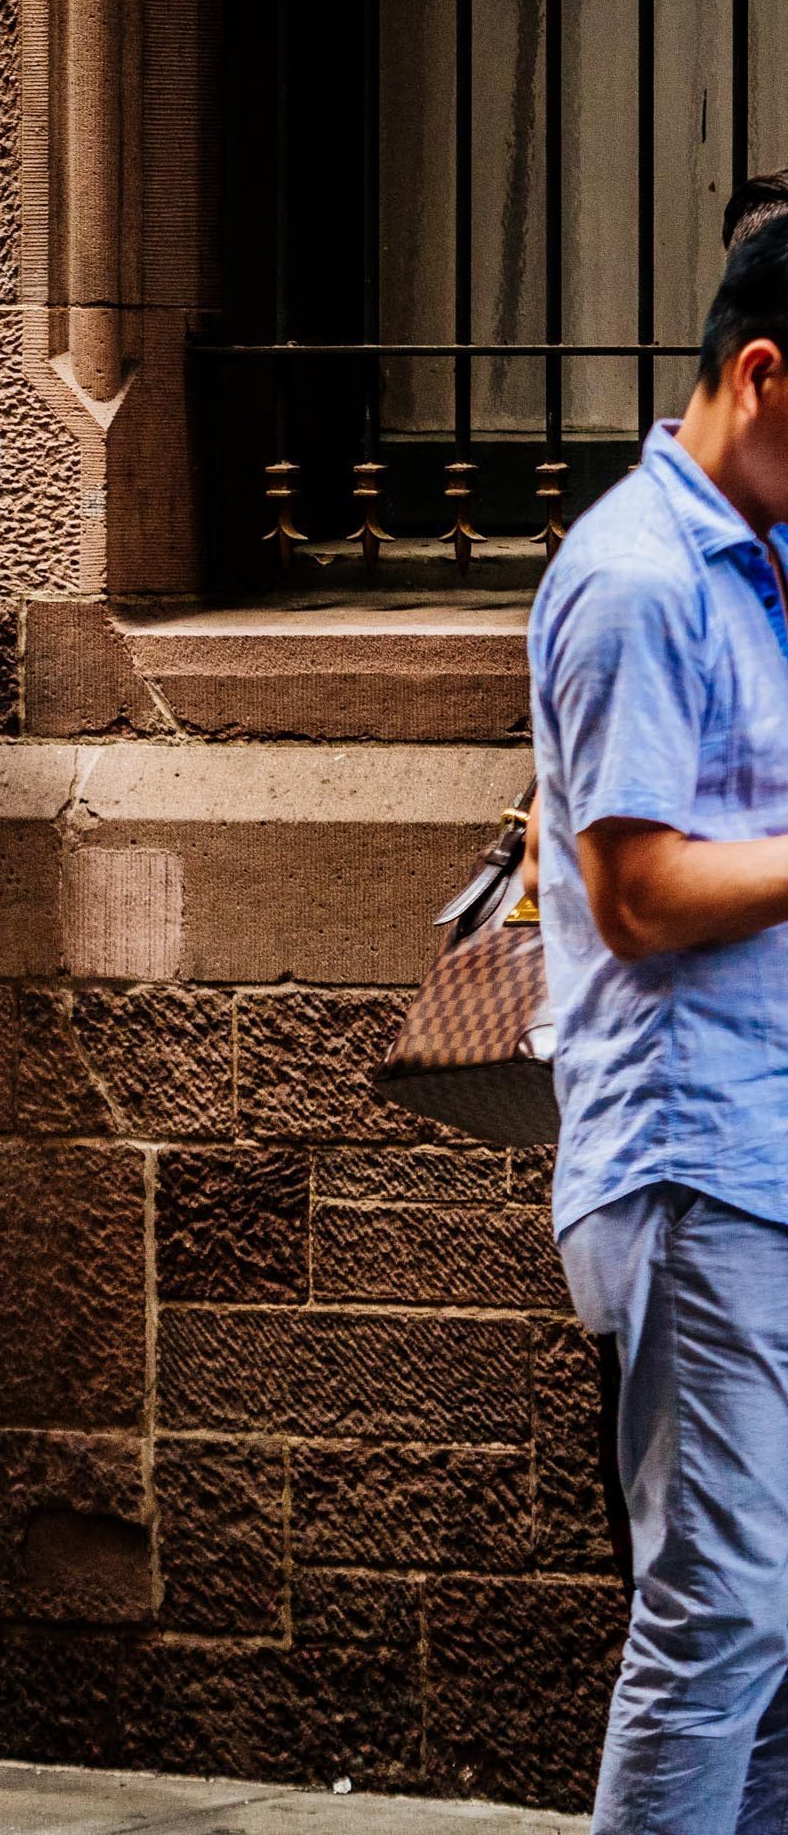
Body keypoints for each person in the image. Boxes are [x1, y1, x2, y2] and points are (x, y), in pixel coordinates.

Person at [529, 218, 788, 1832]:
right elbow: (636, 894)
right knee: (720, 1619)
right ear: (764, 374)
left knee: (775, 1627)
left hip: (763, 1150)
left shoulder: (759, 568)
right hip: (697, 1166)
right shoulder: (635, 578)